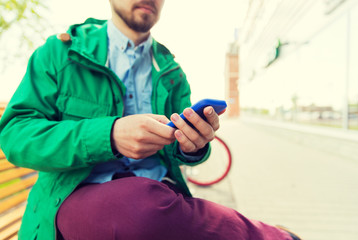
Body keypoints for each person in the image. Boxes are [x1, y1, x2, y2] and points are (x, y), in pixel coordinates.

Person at [0, 0, 301, 239]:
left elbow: (180, 153)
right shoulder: (61, 53)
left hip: (159, 198)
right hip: (78, 198)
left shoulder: (171, 72)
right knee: (136, 204)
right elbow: (16, 133)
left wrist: (192, 146)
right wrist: (110, 134)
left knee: (149, 200)